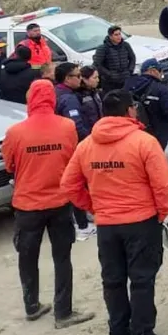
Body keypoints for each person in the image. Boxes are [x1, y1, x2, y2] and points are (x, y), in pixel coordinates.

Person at [61, 90, 168, 335]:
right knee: (142, 280)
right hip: (141, 221)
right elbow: (163, 183)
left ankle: (119, 334)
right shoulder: (144, 142)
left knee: (112, 280)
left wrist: (92, 206)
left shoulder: (87, 145)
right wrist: (162, 212)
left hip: (108, 225)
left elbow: (69, 184)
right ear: (129, 111)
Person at [2, 80, 95, 329]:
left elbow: (9, 166)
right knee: (62, 257)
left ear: (29, 99)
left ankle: (31, 305)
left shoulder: (15, 132)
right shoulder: (67, 126)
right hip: (60, 202)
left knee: (27, 256)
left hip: (27, 204)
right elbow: (74, 159)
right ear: (52, 99)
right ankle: (63, 312)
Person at [71, 66, 102, 240]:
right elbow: (79, 122)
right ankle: (82, 217)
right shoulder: (78, 97)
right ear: (85, 78)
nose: (97, 80)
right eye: (95, 77)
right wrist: (90, 139)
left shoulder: (95, 93)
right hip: (87, 141)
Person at [125, 60, 168, 149]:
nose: (162, 73)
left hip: (136, 136)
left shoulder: (128, 87)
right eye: (161, 70)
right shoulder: (161, 89)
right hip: (160, 136)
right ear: (153, 71)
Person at [93, 26, 136, 92]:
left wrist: (130, 70)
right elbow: (98, 64)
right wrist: (109, 74)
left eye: (119, 34)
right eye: (116, 35)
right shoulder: (103, 48)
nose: (119, 36)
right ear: (110, 36)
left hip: (125, 79)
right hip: (110, 82)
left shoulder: (126, 45)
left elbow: (132, 58)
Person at [53, 63, 90, 139]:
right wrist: (90, 138)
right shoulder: (69, 99)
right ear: (67, 79)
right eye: (78, 76)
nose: (81, 79)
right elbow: (76, 127)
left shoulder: (54, 91)